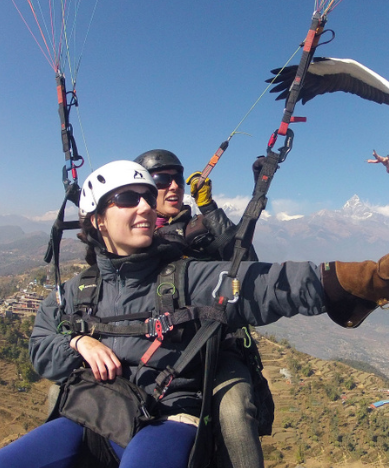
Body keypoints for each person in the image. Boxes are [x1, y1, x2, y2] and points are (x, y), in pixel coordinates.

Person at [0, 160, 389, 468]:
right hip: (91, 415)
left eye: (146, 197)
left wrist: (364, 279)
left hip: (165, 416)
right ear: (95, 220)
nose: (145, 207)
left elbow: (267, 284)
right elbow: (41, 343)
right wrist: (77, 342)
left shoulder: (187, 278)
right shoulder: (76, 292)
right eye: (128, 199)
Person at [133, 149, 263, 468]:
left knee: (234, 411)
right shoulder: (132, 236)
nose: (174, 186)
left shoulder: (203, 228)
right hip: (150, 349)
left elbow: (248, 266)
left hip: (214, 349)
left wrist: (209, 208)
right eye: (162, 180)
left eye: (177, 178)